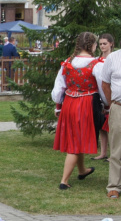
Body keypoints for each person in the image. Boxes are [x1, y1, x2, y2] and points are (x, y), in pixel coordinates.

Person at [52, 32, 104, 190]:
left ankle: (82, 170)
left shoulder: (68, 62)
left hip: (69, 103)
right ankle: (64, 181)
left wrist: (58, 105)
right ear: (92, 45)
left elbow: (58, 87)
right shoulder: (96, 64)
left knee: (77, 138)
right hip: (86, 103)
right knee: (76, 143)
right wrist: (106, 105)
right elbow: (102, 87)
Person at [102, 37, 121, 199]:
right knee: (116, 148)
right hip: (119, 108)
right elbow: (105, 84)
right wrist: (112, 104)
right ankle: (114, 186)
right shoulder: (113, 58)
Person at [92, 33, 115, 161]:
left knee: (113, 127)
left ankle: (114, 154)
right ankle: (103, 152)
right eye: (100, 44)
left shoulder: (115, 59)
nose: (102, 46)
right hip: (101, 97)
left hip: (113, 97)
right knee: (102, 126)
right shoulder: (96, 61)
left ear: (111, 44)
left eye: (105, 44)